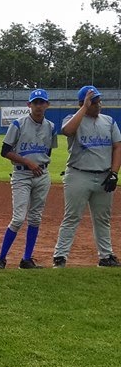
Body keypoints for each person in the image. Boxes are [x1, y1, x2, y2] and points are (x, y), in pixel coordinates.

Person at [52, 85, 121, 267]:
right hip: (78, 174)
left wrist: (114, 173)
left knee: (102, 218)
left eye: (99, 101)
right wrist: (84, 108)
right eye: (94, 102)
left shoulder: (109, 121)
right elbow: (67, 131)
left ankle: (106, 256)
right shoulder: (72, 119)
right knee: (72, 216)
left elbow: (117, 146)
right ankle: (60, 256)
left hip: (104, 175)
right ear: (83, 103)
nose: (99, 105)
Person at [0, 89, 57, 270]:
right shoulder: (18, 124)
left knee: (35, 218)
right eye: (35, 102)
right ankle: (1, 259)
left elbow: (48, 151)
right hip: (22, 174)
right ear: (29, 105)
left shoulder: (51, 126)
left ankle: (26, 259)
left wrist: (39, 165)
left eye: (41, 102)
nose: (38, 106)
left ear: (47, 105)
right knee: (19, 218)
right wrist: (28, 162)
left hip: (42, 175)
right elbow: (5, 151)